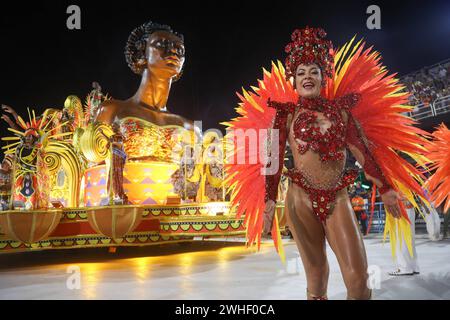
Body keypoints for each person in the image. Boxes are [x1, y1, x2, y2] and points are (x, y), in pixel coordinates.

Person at [225, 27, 429, 300]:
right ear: (293, 81)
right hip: (301, 199)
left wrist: (386, 188)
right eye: (301, 73)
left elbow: (363, 153)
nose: (307, 77)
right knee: (317, 275)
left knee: (358, 279)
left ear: (323, 77)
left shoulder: (342, 113)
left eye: (313, 71)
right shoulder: (285, 115)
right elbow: (273, 158)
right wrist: (270, 199)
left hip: (338, 197)